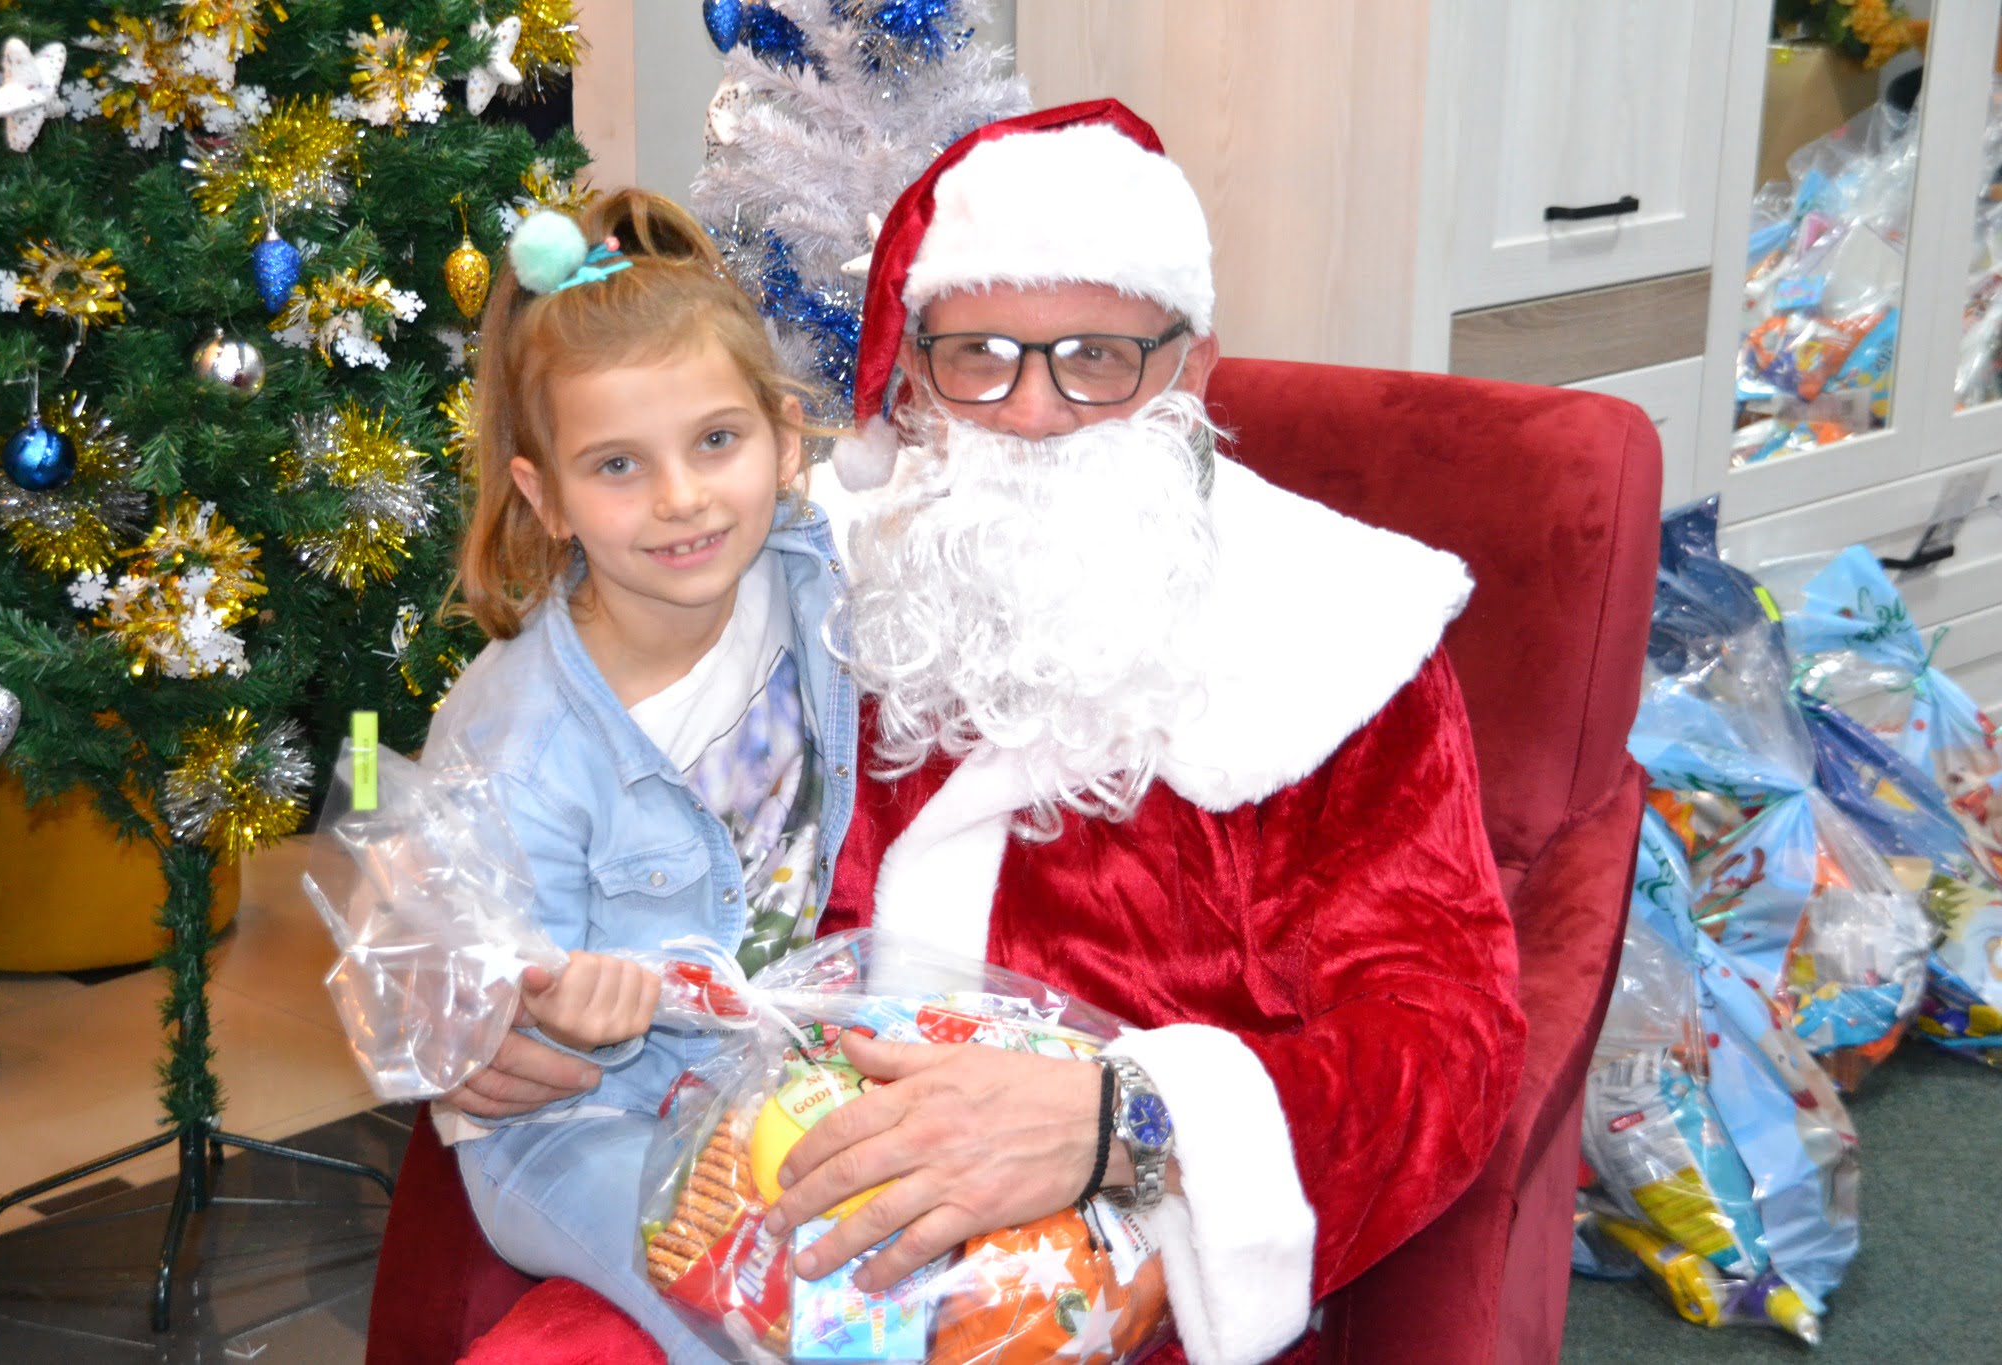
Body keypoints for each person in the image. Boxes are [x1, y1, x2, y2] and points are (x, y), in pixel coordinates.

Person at [450, 102, 1526, 1365]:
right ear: (914, 371)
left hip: (1105, 1269)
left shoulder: (1334, 633)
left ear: (1191, 367)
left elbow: (1448, 1036)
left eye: (1095, 359)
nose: (1029, 411)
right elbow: (550, 774)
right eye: (979, 357)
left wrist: (1126, 1121)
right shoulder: (799, 562)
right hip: (757, 1183)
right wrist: (478, 1015)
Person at [427, 187, 855, 1354]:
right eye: (617, 464)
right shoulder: (520, 746)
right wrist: (550, 1000)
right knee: (746, 1293)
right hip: (580, 1124)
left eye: (716, 441)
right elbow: (447, 961)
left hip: (766, 1066)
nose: (680, 499)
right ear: (546, 498)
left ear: (784, 439)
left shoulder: (804, 575)